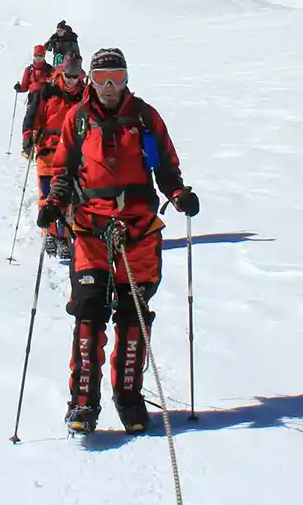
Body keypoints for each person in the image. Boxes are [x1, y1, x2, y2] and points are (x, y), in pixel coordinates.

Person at [39, 47, 200, 435]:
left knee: (134, 317)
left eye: (117, 78)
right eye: (101, 79)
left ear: (127, 78)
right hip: (92, 228)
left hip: (138, 230)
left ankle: (129, 399)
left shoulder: (145, 118)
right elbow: (63, 169)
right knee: (88, 315)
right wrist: (54, 203)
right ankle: (82, 404)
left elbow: (166, 166)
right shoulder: (77, 120)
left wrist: (178, 195)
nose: (110, 87)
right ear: (91, 80)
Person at [20, 50, 87, 259]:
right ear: (62, 73)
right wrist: (28, 136)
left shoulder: (85, 95)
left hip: (73, 150)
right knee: (47, 192)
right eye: (68, 75)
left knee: (70, 194)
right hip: (48, 148)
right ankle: (49, 231)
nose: (71, 80)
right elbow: (32, 116)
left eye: (75, 76)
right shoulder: (47, 92)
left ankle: (65, 234)